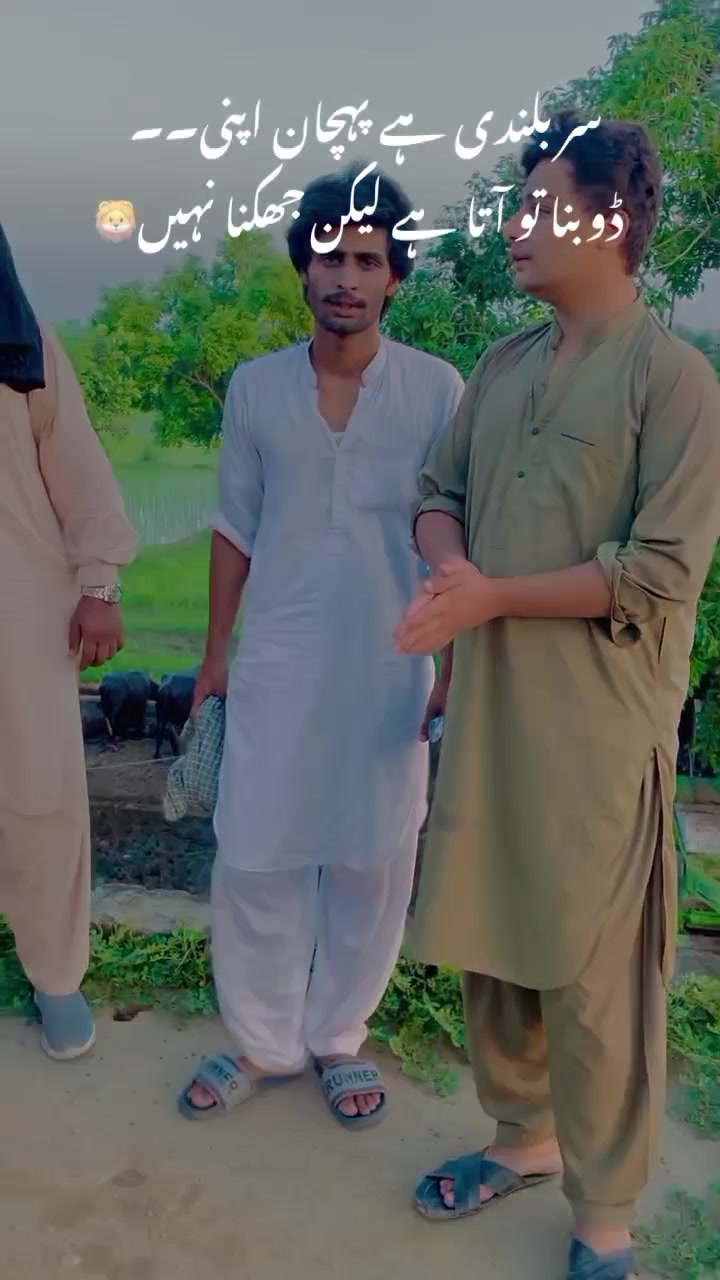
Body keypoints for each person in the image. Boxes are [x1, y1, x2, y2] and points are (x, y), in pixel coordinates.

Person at [394, 111, 720, 1279]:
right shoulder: (502, 366)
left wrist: (491, 596)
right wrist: (454, 578)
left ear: (611, 218)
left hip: (599, 734)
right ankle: (522, 1136)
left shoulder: (675, 381)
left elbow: (660, 570)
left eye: (540, 206)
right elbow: (437, 492)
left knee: (595, 978)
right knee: (494, 943)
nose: (516, 227)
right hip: (490, 716)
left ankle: (605, 1214)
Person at [178, 163, 465, 1128]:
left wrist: (452, 668)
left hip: (391, 664)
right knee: (256, 849)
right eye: (332, 257)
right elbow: (235, 526)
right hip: (278, 657)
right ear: (303, 266)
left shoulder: (436, 389)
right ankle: (264, 1040)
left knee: (372, 855)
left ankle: (340, 1034)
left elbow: (455, 528)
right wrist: (215, 656)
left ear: (396, 277)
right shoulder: (257, 388)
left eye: (368, 261)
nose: (347, 277)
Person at [0, 224, 137, 1058]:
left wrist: (100, 587)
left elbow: (80, 472)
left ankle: (55, 974)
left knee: (39, 795)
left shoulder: (23, 348)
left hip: (22, 613)